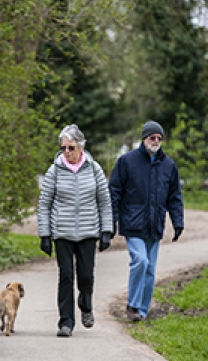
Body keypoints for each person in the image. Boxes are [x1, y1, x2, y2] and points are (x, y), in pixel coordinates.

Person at [37, 124, 113, 337]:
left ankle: (85, 303)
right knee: (66, 276)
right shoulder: (55, 171)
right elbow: (44, 204)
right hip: (62, 232)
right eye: (63, 148)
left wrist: (106, 230)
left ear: (80, 146)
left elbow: (104, 202)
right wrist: (44, 235)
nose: (66, 152)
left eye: (71, 148)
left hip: (88, 231)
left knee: (86, 276)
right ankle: (66, 322)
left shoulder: (94, 168)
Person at [108, 120, 184, 321]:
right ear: (144, 139)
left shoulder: (168, 165)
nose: (156, 141)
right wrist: (112, 220)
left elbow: (174, 196)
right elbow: (114, 191)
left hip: (154, 224)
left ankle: (142, 311)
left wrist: (178, 222)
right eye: (153, 137)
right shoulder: (127, 162)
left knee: (150, 269)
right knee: (140, 260)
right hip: (133, 223)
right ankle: (132, 305)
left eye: (159, 138)